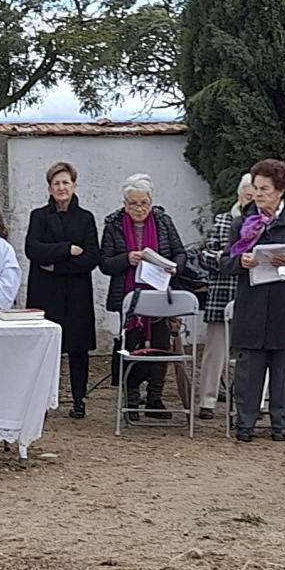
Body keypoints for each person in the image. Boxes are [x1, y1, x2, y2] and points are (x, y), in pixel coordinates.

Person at [220, 159, 285, 442]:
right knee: (249, 369)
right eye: (256, 187)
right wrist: (241, 261)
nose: (258, 194)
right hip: (251, 305)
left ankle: (281, 425)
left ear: (281, 190)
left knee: (284, 370)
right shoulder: (242, 222)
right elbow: (225, 262)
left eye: (265, 188)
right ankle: (245, 424)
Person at [99, 173, 187, 420]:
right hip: (129, 296)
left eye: (144, 203)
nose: (139, 209)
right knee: (131, 346)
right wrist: (126, 258)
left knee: (160, 345)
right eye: (133, 204)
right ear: (124, 204)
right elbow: (104, 263)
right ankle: (132, 398)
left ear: (151, 201)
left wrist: (174, 267)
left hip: (160, 294)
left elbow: (180, 253)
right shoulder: (114, 224)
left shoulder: (163, 221)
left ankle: (155, 399)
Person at [24, 162, 100, 419]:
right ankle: (43, 401)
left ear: (74, 186)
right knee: (46, 349)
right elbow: (33, 250)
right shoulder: (38, 216)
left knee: (78, 349)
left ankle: (79, 400)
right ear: (49, 188)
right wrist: (67, 249)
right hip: (45, 293)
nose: (61, 187)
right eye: (56, 183)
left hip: (77, 294)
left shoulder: (86, 218)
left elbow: (91, 256)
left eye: (66, 182)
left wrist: (55, 266)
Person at [196, 173, 253, 419]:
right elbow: (204, 255)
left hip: (252, 294)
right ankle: (207, 401)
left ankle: (251, 401)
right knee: (215, 351)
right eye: (247, 196)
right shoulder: (222, 220)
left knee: (251, 352)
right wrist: (225, 259)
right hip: (223, 291)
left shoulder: (264, 223)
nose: (251, 201)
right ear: (239, 196)